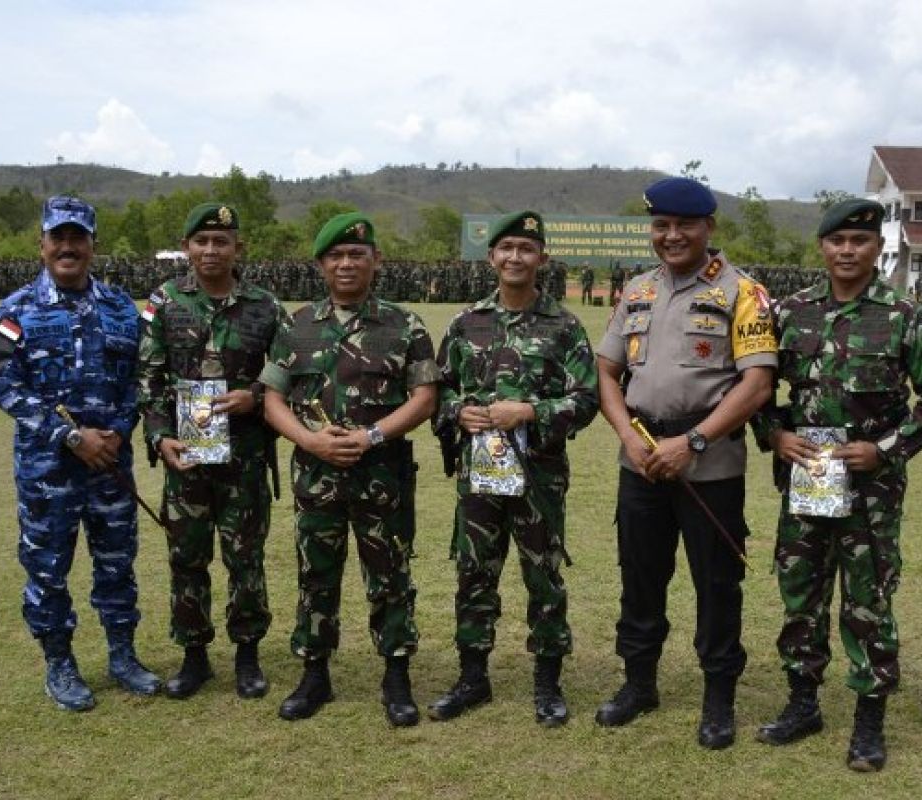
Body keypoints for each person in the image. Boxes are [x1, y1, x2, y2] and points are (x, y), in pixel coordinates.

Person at [752, 198, 922, 771]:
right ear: (822, 247)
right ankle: (802, 704)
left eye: (861, 242)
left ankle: (869, 722)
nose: (847, 251)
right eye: (837, 241)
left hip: (870, 493)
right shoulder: (790, 313)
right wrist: (774, 435)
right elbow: (755, 390)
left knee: (867, 600)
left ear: (878, 250)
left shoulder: (904, 316)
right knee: (802, 591)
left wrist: (886, 449)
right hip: (806, 483)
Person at [593, 177, 776, 748]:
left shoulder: (743, 292)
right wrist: (628, 436)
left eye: (684, 226)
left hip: (710, 466)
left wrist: (691, 443)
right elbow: (607, 372)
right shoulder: (637, 290)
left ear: (708, 229)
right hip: (642, 460)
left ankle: (718, 698)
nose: (671, 236)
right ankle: (638, 684)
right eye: (661, 226)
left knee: (716, 584)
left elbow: (757, 383)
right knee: (640, 578)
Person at [0, 196, 160, 711]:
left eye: (77, 237)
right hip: (48, 471)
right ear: (41, 245)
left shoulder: (122, 309)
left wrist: (120, 431)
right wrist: (69, 437)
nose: (67, 247)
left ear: (91, 245)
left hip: (110, 466)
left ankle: (122, 655)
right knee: (47, 568)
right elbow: (2, 382)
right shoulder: (16, 311)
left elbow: (139, 382)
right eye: (57, 237)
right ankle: (59, 663)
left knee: (116, 563)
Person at [261, 212, 439, 727]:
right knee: (316, 575)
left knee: (390, 576)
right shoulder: (295, 326)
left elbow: (425, 398)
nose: (346, 263)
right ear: (321, 264)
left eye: (357, 254)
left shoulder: (404, 325)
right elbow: (271, 399)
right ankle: (314, 675)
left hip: (381, 475)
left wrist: (371, 435)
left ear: (375, 260)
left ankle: (397, 676)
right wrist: (310, 441)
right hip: (316, 479)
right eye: (335, 256)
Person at [429, 211, 599, 727]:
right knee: (474, 573)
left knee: (542, 575)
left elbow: (587, 399)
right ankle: (472, 677)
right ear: (491, 257)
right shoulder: (465, 324)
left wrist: (530, 412)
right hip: (480, 476)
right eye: (506, 248)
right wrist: (458, 411)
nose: (516, 257)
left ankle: (547, 684)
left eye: (527, 249)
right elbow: (438, 394)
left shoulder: (564, 326)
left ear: (541, 259)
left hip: (538, 479)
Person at [135, 203, 289, 700]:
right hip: (187, 457)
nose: (210, 250)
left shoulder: (266, 306)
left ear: (237, 248)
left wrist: (256, 397)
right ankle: (194, 656)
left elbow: (290, 377)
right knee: (187, 557)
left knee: (246, 557)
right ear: (186, 248)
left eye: (220, 241)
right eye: (200, 240)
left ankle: (248, 655)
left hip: (243, 455)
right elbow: (150, 378)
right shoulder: (164, 301)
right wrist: (160, 437)